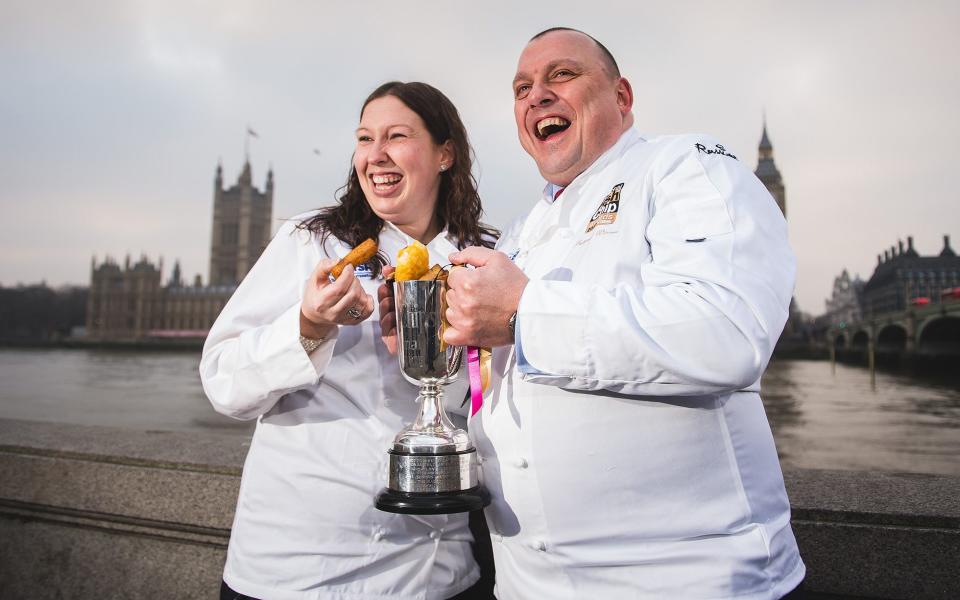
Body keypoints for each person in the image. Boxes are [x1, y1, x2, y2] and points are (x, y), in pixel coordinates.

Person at [441, 28, 806, 599]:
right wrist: (445, 344)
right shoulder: (520, 232)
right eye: (521, 87)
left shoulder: (685, 167)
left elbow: (727, 333)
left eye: (561, 75)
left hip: (684, 584)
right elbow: (495, 386)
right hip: (526, 584)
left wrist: (522, 312)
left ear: (622, 96)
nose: (536, 95)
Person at [201, 81, 498, 600]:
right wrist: (309, 326)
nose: (375, 154)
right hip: (305, 572)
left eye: (396, 136)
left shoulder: (486, 256)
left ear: (445, 153)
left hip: (443, 570)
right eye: (364, 139)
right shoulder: (311, 241)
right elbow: (223, 382)